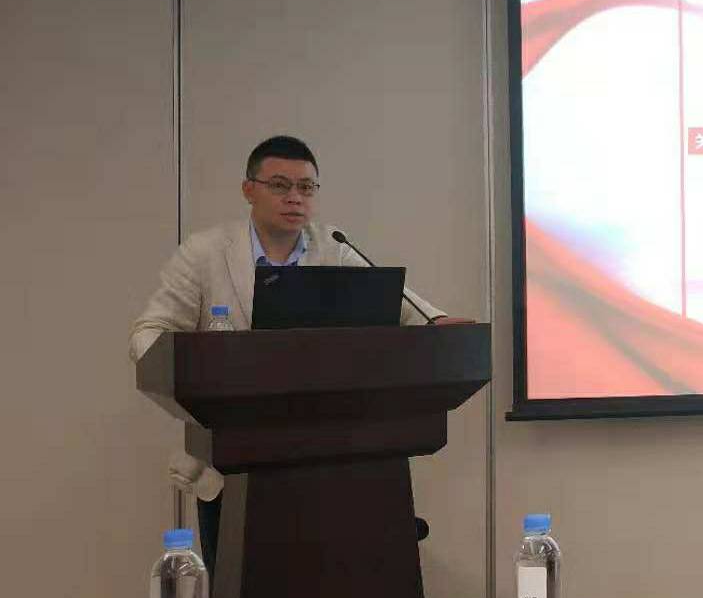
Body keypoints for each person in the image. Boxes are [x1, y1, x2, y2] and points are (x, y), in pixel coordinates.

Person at [129, 135, 468, 572]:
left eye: (306, 187)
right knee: (236, 595)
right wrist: (190, 371)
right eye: (279, 185)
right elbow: (149, 333)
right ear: (249, 190)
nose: (294, 197)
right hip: (232, 464)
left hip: (329, 461)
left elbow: (407, 309)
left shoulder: (334, 248)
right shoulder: (205, 253)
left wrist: (437, 323)